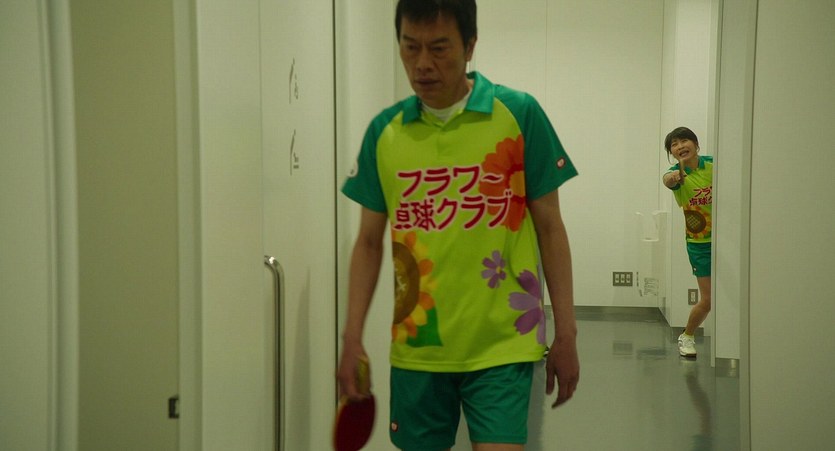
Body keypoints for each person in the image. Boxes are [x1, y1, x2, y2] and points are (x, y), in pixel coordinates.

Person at [338, 1, 580, 449]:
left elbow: (550, 228)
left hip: (503, 342)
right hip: (419, 345)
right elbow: (368, 243)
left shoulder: (519, 114)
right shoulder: (385, 132)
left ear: (470, 46)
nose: (422, 64)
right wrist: (351, 337)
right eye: (410, 47)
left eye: (439, 48)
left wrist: (566, 331)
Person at [661, 126, 714, 358]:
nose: (680, 146)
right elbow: (668, 180)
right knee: (708, 300)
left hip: (728, 240)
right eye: (674, 144)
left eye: (684, 141)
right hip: (699, 243)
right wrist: (671, 178)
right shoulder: (676, 173)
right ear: (672, 153)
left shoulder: (714, 164)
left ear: (696, 144)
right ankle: (687, 335)